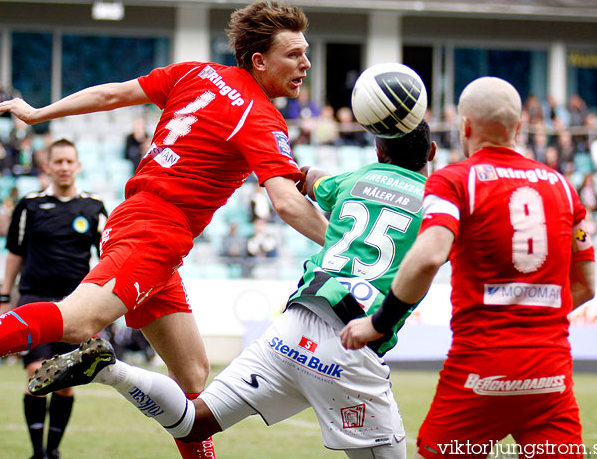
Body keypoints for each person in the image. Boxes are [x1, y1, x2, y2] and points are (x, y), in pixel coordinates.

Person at [0, 1, 328, 459]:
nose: (306, 64)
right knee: (76, 321)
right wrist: (345, 247)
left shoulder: (197, 73)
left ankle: (107, 369)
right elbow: (289, 204)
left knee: (193, 379)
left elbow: (112, 94)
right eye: (294, 54)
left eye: (305, 53)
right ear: (259, 60)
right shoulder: (259, 116)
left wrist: (40, 114)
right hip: (156, 229)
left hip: (147, 224)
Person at [26, 121, 436, 459]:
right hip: (352, 340)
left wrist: (272, 156)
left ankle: (112, 372)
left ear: (379, 152)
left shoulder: (357, 178)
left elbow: (305, 181)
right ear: (432, 152)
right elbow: (432, 259)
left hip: (291, 327)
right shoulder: (437, 202)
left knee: (193, 421)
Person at [340, 77, 596, 459]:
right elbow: (586, 285)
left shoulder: (454, 181)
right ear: (518, 127)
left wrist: (378, 323)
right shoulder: (562, 187)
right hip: (551, 374)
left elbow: (429, 255)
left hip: (481, 370)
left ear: (465, 126)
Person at [0, 138, 107, 459]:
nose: (64, 168)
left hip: (77, 304)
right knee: (35, 373)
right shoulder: (29, 206)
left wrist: (103, 303)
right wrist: (4, 295)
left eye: (70, 162)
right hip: (34, 299)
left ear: (78, 166)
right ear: (47, 167)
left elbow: (108, 256)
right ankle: (37, 453)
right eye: (58, 162)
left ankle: (54, 451)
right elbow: (15, 254)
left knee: (67, 381)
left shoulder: (94, 208)